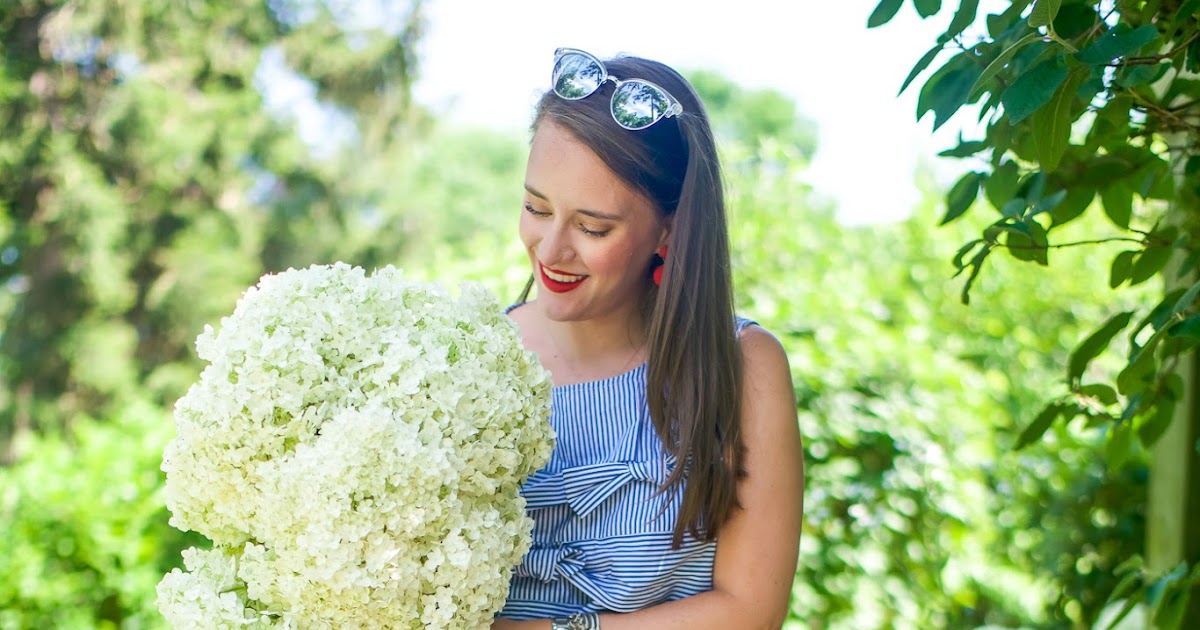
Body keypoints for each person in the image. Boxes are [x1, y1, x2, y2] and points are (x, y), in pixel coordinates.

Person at [492, 48, 804, 630]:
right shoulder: (475, 354)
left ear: (670, 227)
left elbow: (749, 611)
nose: (552, 250)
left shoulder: (744, 367)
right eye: (536, 207)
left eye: (593, 227)